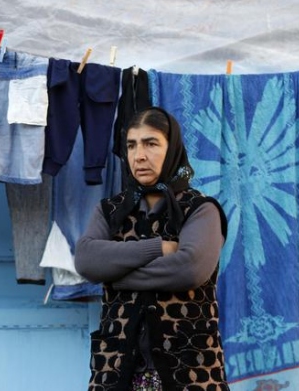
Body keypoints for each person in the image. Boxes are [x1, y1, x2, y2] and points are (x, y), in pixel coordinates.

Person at [75, 107, 229, 391]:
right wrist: (156, 247)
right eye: (131, 145)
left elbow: (189, 269)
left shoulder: (199, 209)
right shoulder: (111, 211)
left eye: (151, 143)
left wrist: (114, 274)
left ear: (172, 149)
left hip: (189, 373)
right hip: (117, 371)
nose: (139, 155)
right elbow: (86, 260)